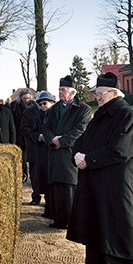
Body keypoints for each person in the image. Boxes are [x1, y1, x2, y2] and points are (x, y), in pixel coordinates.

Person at [68, 72, 133, 264]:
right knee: (98, 222)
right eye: (96, 93)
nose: (97, 97)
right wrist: (76, 155)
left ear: (114, 93)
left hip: (116, 182)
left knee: (118, 224)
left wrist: (88, 159)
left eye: (101, 93)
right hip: (96, 179)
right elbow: (82, 141)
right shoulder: (101, 115)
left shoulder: (126, 116)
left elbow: (121, 150)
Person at [42, 75, 91, 229]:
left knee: (69, 187)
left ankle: (72, 221)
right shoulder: (54, 108)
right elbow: (46, 127)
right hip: (54, 153)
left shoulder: (83, 109)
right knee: (56, 187)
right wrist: (52, 139)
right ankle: (58, 219)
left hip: (70, 153)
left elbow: (80, 129)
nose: (60, 92)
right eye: (59, 89)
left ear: (73, 92)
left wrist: (61, 141)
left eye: (63, 90)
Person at [21, 91, 55, 207]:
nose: (42, 106)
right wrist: (37, 136)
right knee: (35, 175)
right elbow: (24, 128)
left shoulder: (54, 113)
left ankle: (49, 199)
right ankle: (36, 197)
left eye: (45, 103)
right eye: (40, 103)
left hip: (50, 149)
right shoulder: (28, 113)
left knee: (49, 174)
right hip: (35, 147)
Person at [10, 88, 36, 183]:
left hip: (30, 134)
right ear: (20, 98)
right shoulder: (14, 106)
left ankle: (33, 175)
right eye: (24, 98)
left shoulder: (35, 106)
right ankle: (23, 174)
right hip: (19, 134)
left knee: (32, 156)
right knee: (22, 156)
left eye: (28, 98)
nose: (26, 100)